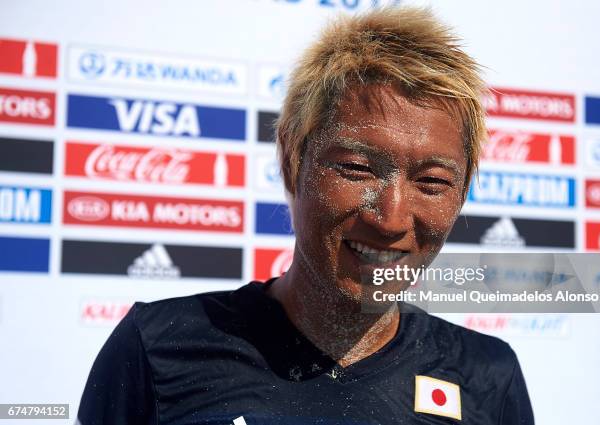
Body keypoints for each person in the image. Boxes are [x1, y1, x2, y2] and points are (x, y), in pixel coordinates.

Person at [77, 7, 534, 425]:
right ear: (293, 162)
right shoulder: (157, 347)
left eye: (432, 182)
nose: (391, 219)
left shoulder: (488, 376)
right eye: (357, 169)